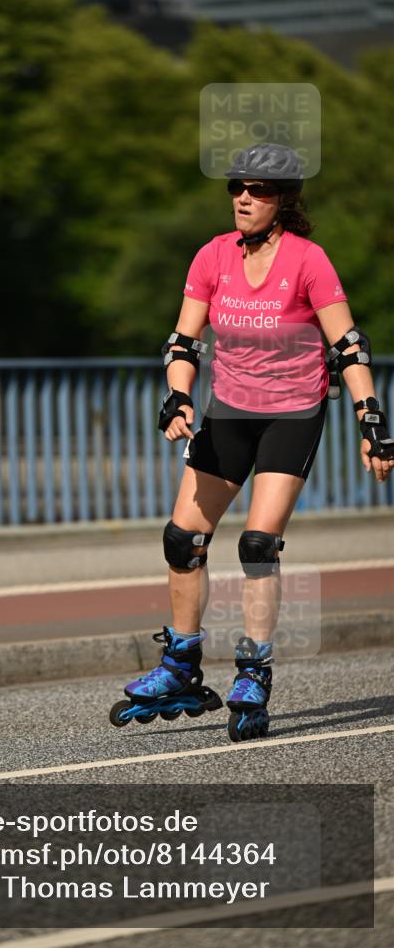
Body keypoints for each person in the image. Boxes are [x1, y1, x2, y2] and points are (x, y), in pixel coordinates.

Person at [110, 143, 394, 741]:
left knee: (258, 544)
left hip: (292, 415)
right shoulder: (212, 256)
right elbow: (184, 342)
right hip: (229, 413)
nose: (243, 197)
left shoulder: (309, 260)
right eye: (236, 186)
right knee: (182, 539)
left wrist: (370, 419)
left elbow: (348, 346)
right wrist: (178, 396)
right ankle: (180, 666)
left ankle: (253, 674)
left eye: (258, 189)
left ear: (283, 200)